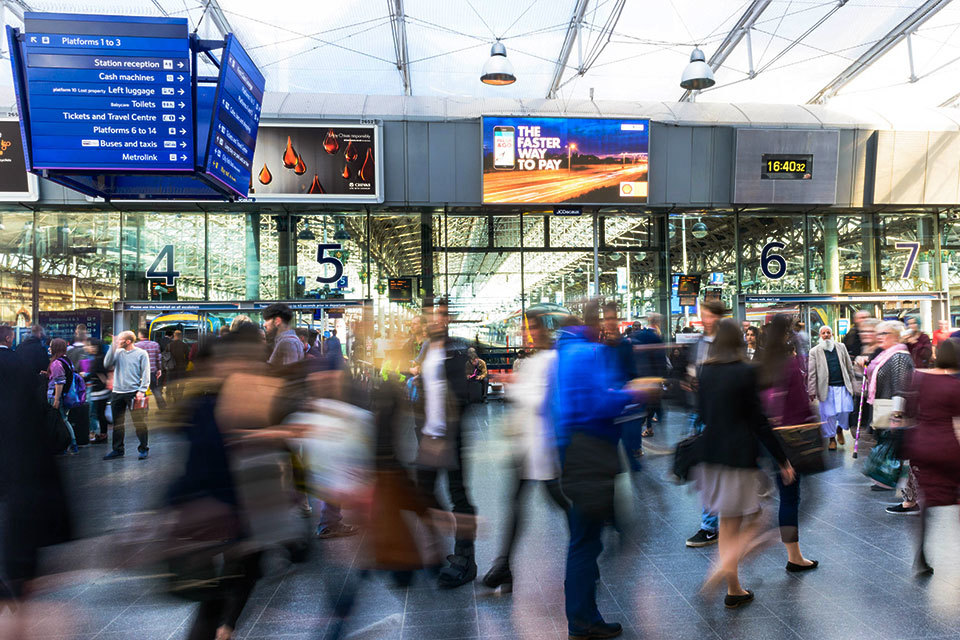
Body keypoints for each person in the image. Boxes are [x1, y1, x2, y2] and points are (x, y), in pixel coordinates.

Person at [552, 299, 652, 638]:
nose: (608, 328)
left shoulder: (563, 352)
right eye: (605, 321)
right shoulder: (587, 353)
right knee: (585, 541)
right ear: (593, 323)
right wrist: (633, 392)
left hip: (573, 452)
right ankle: (581, 617)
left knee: (583, 538)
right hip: (591, 453)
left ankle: (582, 613)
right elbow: (599, 403)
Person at [693, 318, 795, 609]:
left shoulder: (706, 371)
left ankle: (734, 587)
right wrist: (782, 459)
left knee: (728, 521)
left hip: (710, 456)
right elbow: (759, 422)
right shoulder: (744, 372)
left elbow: (701, 413)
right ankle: (719, 571)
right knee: (755, 519)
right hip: (739, 456)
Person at [482, 308, 568, 592]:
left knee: (564, 504)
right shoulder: (535, 360)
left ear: (543, 329)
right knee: (517, 504)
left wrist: (511, 384)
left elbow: (541, 400)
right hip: (528, 448)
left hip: (546, 449)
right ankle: (503, 565)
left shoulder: (552, 359)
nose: (525, 332)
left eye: (530, 327)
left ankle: (587, 553)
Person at [414, 298, 475, 588]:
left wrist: (445, 436)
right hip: (429, 433)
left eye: (441, 316)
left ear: (448, 320)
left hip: (449, 436)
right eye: (431, 316)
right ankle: (438, 548)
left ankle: (465, 559)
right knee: (422, 493)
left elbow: (460, 395)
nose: (436, 320)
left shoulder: (457, 348)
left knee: (458, 495)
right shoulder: (427, 347)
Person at [758, 315, 818, 573]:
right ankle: (792, 555)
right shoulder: (791, 364)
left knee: (786, 495)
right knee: (792, 497)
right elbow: (800, 403)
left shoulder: (760, 364)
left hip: (768, 437)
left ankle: (792, 552)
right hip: (792, 438)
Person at [902, 338, 960, 575]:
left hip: (922, 446)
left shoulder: (918, 378)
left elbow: (906, 412)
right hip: (948, 448)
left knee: (926, 501)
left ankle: (921, 555)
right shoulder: (955, 386)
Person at [686, 300, 726, 549]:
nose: (704, 320)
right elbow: (693, 373)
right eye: (703, 315)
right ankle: (716, 522)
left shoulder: (728, 344)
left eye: (709, 316)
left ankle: (710, 526)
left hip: (720, 415)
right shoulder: (700, 343)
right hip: (701, 412)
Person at [865, 320, 917, 513]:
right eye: (878, 333)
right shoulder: (887, 355)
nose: (879, 337)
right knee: (902, 457)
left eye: (884, 333)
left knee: (905, 458)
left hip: (896, 412)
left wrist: (896, 415)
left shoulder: (898, 357)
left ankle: (909, 500)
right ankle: (908, 499)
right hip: (889, 409)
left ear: (895, 335)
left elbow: (900, 387)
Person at [602, 302, 641, 470]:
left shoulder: (625, 345)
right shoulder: (600, 345)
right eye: (607, 318)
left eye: (613, 318)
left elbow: (632, 372)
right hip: (606, 401)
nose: (610, 322)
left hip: (621, 400)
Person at [103, 331, 151, 460]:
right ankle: (118, 450)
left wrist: (142, 390)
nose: (118, 342)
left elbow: (146, 373)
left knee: (139, 422)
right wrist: (112, 347)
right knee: (118, 423)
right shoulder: (117, 352)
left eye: (120, 340)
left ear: (128, 341)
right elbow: (106, 364)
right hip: (117, 392)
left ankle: (143, 448)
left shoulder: (141, 353)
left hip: (134, 392)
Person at [807, 325, 856, 450]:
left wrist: (854, 384)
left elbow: (849, 367)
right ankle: (831, 439)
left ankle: (839, 429)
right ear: (820, 336)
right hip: (826, 389)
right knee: (828, 415)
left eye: (828, 332)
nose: (826, 335)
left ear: (832, 334)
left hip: (843, 386)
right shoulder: (814, 351)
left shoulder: (841, 347)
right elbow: (812, 373)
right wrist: (811, 390)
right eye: (823, 333)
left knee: (845, 411)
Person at [634, 313, 666, 437]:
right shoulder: (657, 337)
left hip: (641, 377)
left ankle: (645, 428)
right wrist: (662, 378)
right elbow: (661, 360)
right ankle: (649, 425)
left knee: (644, 405)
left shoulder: (640, 335)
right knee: (651, 404)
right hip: (653, 377)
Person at [47, 338, 79, 455]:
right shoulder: (67, 361)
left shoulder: (56, 363)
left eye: (51, 346)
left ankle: (70, 443)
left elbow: (59, 382)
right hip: (66, 396)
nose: (49, 349)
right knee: (64, 419)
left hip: (56, 396)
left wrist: (56, 399)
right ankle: (70, 443)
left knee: (62, 420)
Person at [85, 338, 111, 444]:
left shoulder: (98, 359)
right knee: (100, 413)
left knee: (95, 413)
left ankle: (98, 435)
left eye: (90, 346)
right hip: (101, 390)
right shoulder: (100, 357)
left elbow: (92, 374)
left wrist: (83, 376)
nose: (87, 348)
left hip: (99, 391)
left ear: (95, 347)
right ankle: (102, 434)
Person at [135, 328, 166, 410]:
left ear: (140, 335)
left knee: (142, 391)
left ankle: (145, 409)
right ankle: (162, 407)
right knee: (155, 389)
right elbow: (158, 359)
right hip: (152, 371)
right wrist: (159, 369)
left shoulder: (136, 346)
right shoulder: (155, 345)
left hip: (141, 372)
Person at [166, 329, 191, 404]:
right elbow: (187, 357)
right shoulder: (184, 345)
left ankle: (175, 396)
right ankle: (179, 397)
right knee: (181, 383)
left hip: (172, 367)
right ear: (181, 336)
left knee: (173, 382)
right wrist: (186, 364)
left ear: (174, 335)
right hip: (181, 367)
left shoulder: (169, 345)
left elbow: (166, 356)